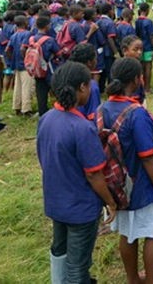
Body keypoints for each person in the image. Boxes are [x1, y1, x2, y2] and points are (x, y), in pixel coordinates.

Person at [37, 62, 117, 284]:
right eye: (89, 85)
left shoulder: (46, 119)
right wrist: (110, 202)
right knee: (77, 266)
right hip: (81, 208)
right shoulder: (82, 128)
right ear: (82, 87)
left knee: (59, 251)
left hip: (56, 201)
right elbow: (94, 174)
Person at [101, 58, 153, 284]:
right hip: (140, 184)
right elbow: (148, 155)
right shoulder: (136, 113)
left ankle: (132, 279)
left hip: (115, 185)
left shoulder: (102, 108)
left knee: (127, 233)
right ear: (137, 79)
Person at [30, 16, 61, 116]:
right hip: (49, 68)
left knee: (40, 91)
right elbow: (58, 53)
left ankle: (42, 111)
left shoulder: (32, 39)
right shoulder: (49, 40)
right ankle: (60, 108)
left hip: (36, 68)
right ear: (47, 26)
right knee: (56, 88)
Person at [5, 15, 34, 116]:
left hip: (16, 63)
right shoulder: (28, 34)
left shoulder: (14, 35)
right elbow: (23, 48)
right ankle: (26, 109)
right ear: (25, 23)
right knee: (27, 87)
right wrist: (26, 60)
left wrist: (11, 59)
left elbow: (7, 50)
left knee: (18, 86)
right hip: (25, 65)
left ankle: (17, 106)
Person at [69, 44, 101, 121]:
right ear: (89, 62)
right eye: (95, 58)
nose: (97, 61)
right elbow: (93, 117)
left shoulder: (68, 79)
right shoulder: (91, 86)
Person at [135, 2, 153, 94]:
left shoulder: (137, 21)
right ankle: (147, 88)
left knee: (141, 67)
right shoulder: (148, 22)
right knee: (148, 67)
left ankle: (141, 87)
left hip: (139, 47)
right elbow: (151, 36)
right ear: (147, 10)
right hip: (148, 47)